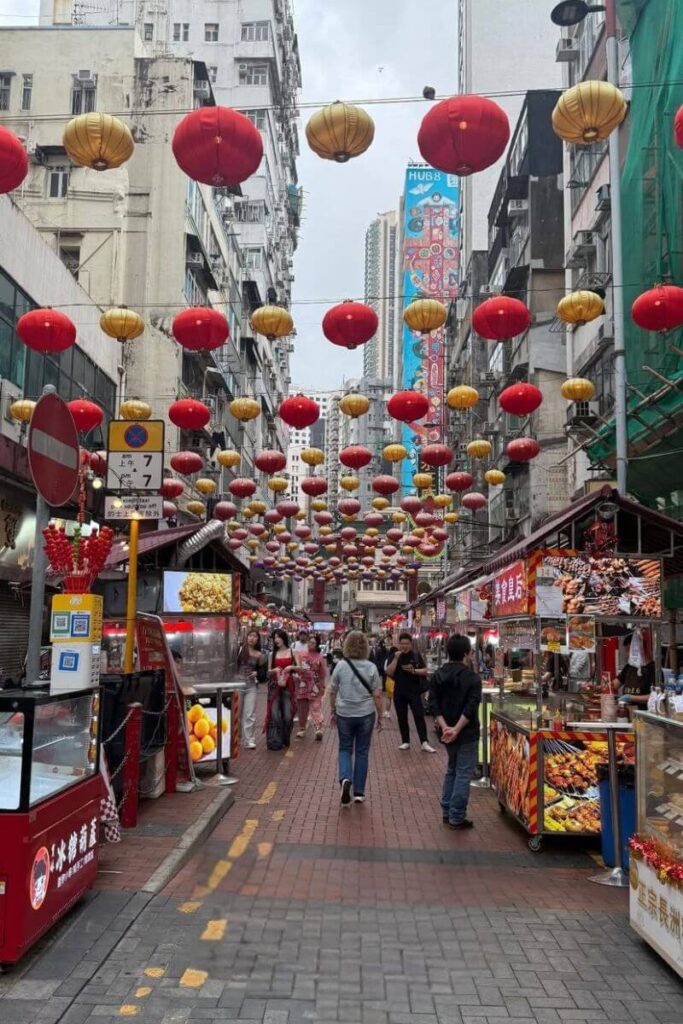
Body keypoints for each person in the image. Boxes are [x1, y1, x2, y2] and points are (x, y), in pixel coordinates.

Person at [431, 634, 482, 830]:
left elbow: (433, 703)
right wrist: (457, 729)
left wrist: (445, 727)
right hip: (466, 732)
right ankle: (456, 816)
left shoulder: (438, 674)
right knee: (463, 773)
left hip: (445, 731)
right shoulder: (473, 678)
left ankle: (447, 810)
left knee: (452, 769)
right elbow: (471, 707)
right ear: (466, 653)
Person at [329, 630, 384, 806]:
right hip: (366, 713)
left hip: (344, 712)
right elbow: (377, 694)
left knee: (345, 749)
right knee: (362, 751)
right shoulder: (371, 667)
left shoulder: (341, 666)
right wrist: (380, 715)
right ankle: (359, 792)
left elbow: (332, 691)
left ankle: (345, 779)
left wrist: (332, 710)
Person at [385, 632, 436, 752]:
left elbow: (425, 670)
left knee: (419, 716)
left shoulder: (416, 655)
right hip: (399, 692)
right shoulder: (395, 656)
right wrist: (396, 658)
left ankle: (424, 742)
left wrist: (414, 671)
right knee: (402, 717)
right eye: (402, 644)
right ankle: (405, 741)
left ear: (411, 644)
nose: (404, 646)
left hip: (414, 692)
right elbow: (389, 672)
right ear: (399, 644)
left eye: (407, 643)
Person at [264, 629, 300, 750]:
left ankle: (285, 737)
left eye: (278, 637)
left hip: (288, 686)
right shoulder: (271, 654)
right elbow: (268, 672)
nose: (276, 640)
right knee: (274, 714)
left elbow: (300, 669)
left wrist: (291, 667)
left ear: (284, 638)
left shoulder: (293, 652)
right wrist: (273, 671)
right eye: (274, 638)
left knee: (288, 715)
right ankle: (275, 741)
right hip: (274, 686)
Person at [237, 629, 268, 749]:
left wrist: (257, 673)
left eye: (255, 637)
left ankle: (249, 739)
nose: (252, 638)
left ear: (258, 640)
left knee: (250, 714)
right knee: (237, 714)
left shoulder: (259, 655)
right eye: (250, 636)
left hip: (251, 687)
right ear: (246, 637)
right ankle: (237, 738)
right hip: (238, 685)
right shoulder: (239, 650)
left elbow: (263, 672)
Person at [297, 634, 328, 741]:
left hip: (315, 685)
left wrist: (323, 686)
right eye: (309, 642)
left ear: (317, 644)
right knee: (302, 708)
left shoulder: (320, 657)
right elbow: (297, 669)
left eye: (313, 643)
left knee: (315, 707)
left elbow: (322, 673)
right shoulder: (301, 655)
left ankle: (318, 729)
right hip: (303, 684)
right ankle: (302, 728)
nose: (311, 644)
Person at [618, 634, 656, 708]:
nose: (627, 654)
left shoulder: (653, 669)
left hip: (644, 713)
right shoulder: (629, 667)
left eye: (629, 650)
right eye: (626, 650)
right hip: (627, 711)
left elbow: (655, 697)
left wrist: (630, 698)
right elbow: (614, 684)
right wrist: (600, 687)